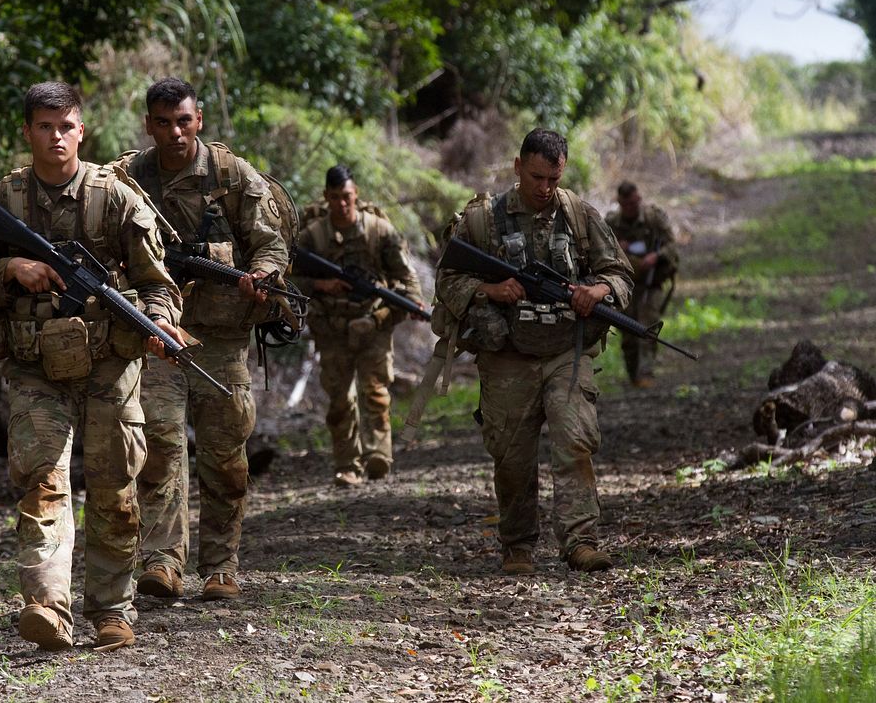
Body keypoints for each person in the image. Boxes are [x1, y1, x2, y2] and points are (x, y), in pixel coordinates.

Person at [0, 81, 183, 651]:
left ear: (83, 130)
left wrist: (157, 324)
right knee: (43, 484)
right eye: (45, 126)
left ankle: (112, 611)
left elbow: (157, 286)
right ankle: (49, 606)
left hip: (109, 365)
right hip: (34, 369)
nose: (57, 137)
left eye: (66, 126)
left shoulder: (118, 199)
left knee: (114, 488)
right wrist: (9, 270)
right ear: (27, 132)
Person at [119, 77, 289, 602]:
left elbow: (270, 242)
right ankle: (163, 561)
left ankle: (221, 565)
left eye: (185, 121)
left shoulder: (230, 175)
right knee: (162, 448)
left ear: (200, 120)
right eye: (164, 123)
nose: (175, 132)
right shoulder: (128, 178)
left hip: (222, 338)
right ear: (149, 125)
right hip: (159, 336)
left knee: (224, 455)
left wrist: (259, 280)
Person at [435, 129, 633, 574]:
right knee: (512, 456)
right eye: (537, 177)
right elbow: (446, 281)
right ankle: (518, 545)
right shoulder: (484, 221)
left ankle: (581, 541)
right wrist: (491, 288)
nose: (544, 188)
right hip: (508, 355)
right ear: (518, 166)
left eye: (553, 178)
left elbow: (621, 275)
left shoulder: (579, 215)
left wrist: (596, 290)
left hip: (567, 349)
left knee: (575, 443)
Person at [294, 165, 424, 487]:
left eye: (347, 197)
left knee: (376, 392)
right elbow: (289, 280)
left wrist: (395, 311)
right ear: (326, 197)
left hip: (373, 325)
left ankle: (379, 455)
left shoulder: (379, 231)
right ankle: (347, 464)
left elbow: (407, 282)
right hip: (332, 328)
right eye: (335, 197)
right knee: (339, 400)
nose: (341, 204)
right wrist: (322, 286)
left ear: (357, 195)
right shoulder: (312, 237)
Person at [604, 181, 679, 388]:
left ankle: (646, 373)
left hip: (651, 282)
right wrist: (616, 247)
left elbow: (672, 244)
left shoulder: (654, 218)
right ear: (620, 203)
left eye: (634, 203)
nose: (631, 208)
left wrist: (656, 256)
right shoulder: (611, 222)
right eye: (626, 204)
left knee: (647, 326)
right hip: (624, 284)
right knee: (627, 332)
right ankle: (633, 375)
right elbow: (596, 249)